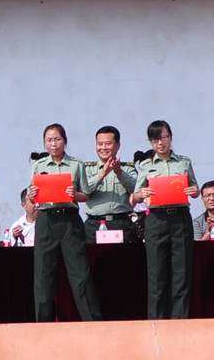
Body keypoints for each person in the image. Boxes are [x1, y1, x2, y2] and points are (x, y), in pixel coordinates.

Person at [29, 123, 102, 322]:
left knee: (80, 273)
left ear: (65, 141)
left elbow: (85, 195)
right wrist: (32, 194)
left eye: (57, 139)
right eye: (49, 140)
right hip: (46, 220)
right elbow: (31, 196)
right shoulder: (39, 165)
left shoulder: (76, 165)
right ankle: (43, 323)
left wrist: (75, 194)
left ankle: (92, 321)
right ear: (45, 143)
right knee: (43, 273)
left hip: (69, 220)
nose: (53, 144)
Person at [132, 120, 199, 319]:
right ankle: (156, 323)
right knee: (157, 274)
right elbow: (135, 197)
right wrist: (141, 194)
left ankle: (179, 322)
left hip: (180, 218)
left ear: (170, 137)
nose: (160, 143)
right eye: (155, 140)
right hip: (156, 220)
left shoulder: (184, 162)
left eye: (163, 137)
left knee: (182, 273)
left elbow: (195, 190)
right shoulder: (146, 165)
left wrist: (194, 191)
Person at [83, 125, 139, 243]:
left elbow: (136, 189)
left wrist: (119, 172)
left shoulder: (127, 168)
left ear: (118, 145)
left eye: (108, 144)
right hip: (94, 225)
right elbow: (84, 190)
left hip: (122, 223)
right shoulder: (88, 169)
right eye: (100, 144)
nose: (103, 148)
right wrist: (102, 174)